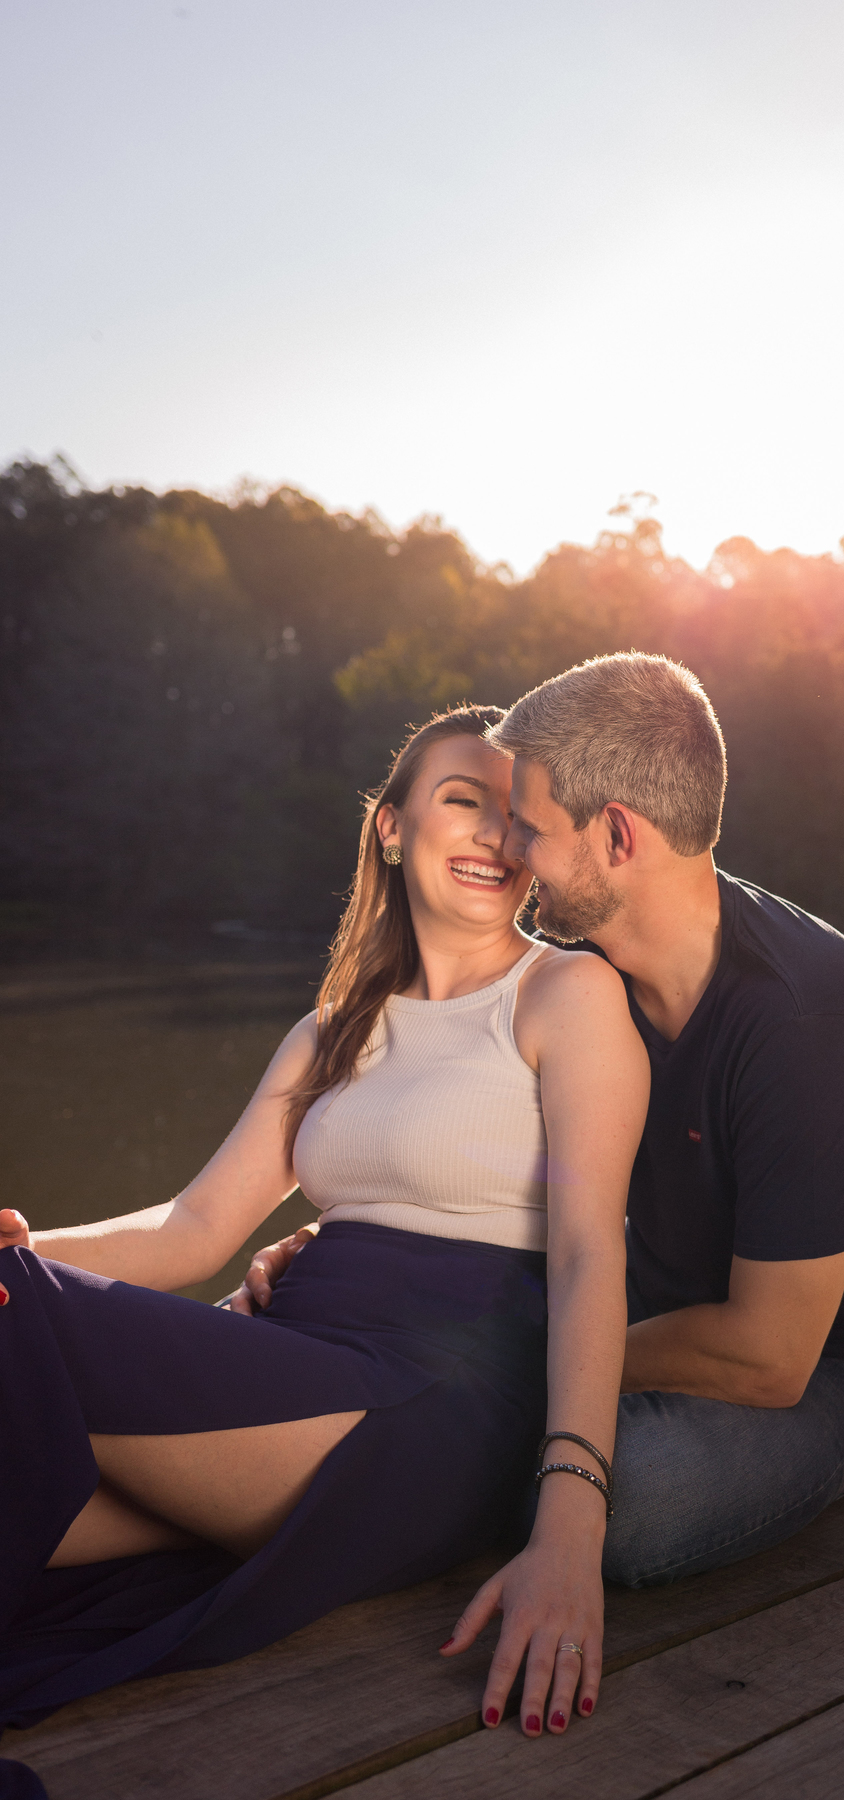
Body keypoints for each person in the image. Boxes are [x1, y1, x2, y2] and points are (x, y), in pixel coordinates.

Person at [0, 703, 649, 1790]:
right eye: (461, 801)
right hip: (294, 1364)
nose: (494, 834)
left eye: (517, 817)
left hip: (429, 1400)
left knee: (15, 1310)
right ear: (390, 829)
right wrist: (31, 1242)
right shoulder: (333, 1027)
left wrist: (569, 1525)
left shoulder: (563, 993)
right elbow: (192, 1230)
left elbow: (592, 1253)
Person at [240, 655, 844, 1590]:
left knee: (625, 1499)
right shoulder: (585, 981)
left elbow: (769, 1359)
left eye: (531, 828)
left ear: (616, 834)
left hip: (836, 1372)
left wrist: (515, 1355)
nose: (509, 850)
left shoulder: (803, 1018)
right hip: (654, 1307)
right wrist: (365, 1251)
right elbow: (483, 1157)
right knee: (487, 1433)